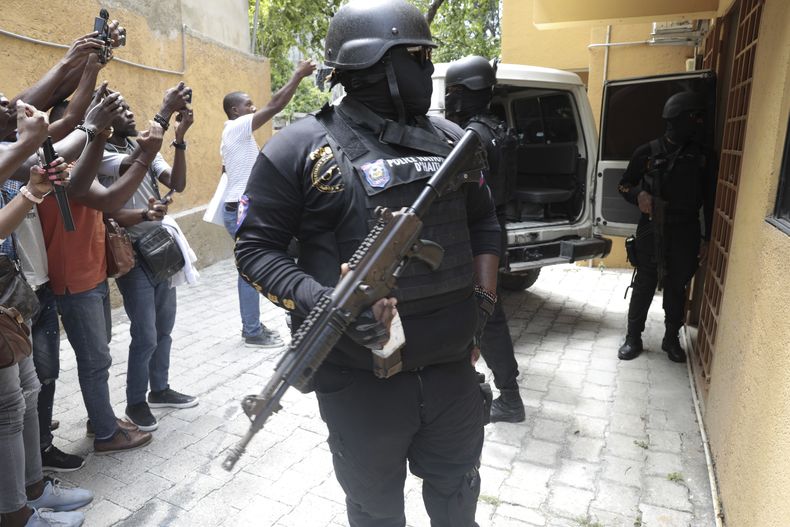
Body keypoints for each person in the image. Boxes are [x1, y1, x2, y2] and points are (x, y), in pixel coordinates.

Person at [234, 1, 500, 525]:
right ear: (377, 64)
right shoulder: (299, 147)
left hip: (453, 375)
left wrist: (483, 310)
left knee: (457, 501)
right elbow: (254, 251)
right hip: (359, 385)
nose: (427, 69)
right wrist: (324, 300)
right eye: (418, 56)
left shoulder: (451, 141)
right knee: (376, 513)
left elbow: (484, 225)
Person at [0, 100, 93, 527]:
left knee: (28, 393)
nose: (12, 103)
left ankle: (34, 489)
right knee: (7, 407)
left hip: (8, 293)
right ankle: (15, 513)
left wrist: (33, 189)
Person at [98, 84, 197, 432]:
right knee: (146, 335)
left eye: (128, 107)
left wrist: (180, 138)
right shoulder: (101, 155)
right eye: (120, 109)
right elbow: (108, 212)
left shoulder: (145, 147)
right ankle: (136, 402)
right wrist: (165, 110)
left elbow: (178, 183)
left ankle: (160, 389)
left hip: (159, 249)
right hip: (132, 255)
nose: (129, 112)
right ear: (105, 119)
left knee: (164, 329)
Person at [444, 55, 525, 423]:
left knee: (486, 316)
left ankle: (509, 397)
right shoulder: (497, 128)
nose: (450, 101)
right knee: (487, 314)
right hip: (495, 229)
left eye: (454, 93)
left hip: (476, 236)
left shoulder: (471, 136)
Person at [220, 59, 316, 348]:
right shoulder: (236, 127)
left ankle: (259, 323)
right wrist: (298, 75)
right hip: (240, 209)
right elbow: (274, 106)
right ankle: (255, 329)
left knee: (257, 262)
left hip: (241, 207)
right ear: (235, 110)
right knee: (257, 263)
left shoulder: (238, 137)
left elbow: (225, 170)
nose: (253, 107)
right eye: (248, 104)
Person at [617, 91, 716, 362]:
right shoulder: (646, 153)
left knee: (676, 286)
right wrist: (638, 194)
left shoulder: (703, 157)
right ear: (677, 120)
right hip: (651, 228)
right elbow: (623, 184)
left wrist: (707, 238)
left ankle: (671, 339)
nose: (697, 123)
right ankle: (632, 337)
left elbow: (710, 200)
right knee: (644, 284)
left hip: (685, 230)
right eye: (693, 118)